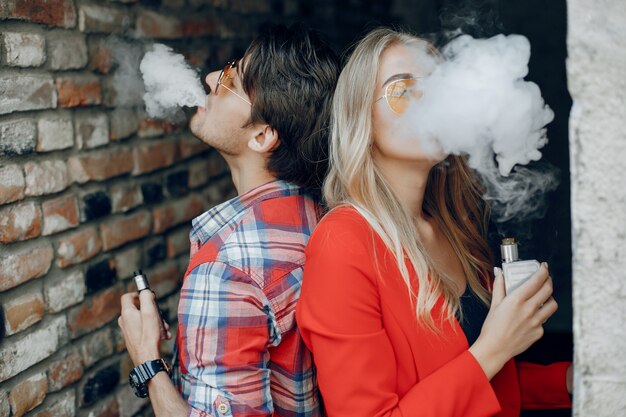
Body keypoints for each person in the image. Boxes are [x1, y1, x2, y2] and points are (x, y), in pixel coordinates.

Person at [295, 27, 573, 417]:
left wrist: (571, 381)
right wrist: (495, 347)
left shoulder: (453, 231)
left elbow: (487, 382)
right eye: (402, 90)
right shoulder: (343, 242)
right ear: (362, 119)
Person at [118, 24, 339, 417]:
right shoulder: (323, 215)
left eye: (229, 80)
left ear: (262, 136)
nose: (208, 78)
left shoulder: (226, 271)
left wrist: (147, 360)